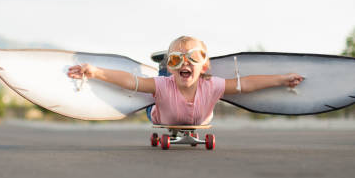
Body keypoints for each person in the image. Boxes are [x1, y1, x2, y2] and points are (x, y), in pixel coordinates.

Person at [67, 36, 304, 125]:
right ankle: (162, 66)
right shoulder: (162, 86)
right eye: (176, 60)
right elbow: (131, 81)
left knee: (167, 81)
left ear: (205, 64)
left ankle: (164, 63)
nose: (184, 64)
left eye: (192, 58)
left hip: (199, 107)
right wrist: (94, 71)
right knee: (154, 87)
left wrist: (281, 80)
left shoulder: (212, 85)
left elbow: (246, 84)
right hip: (160, 109)